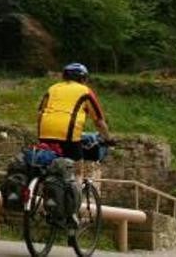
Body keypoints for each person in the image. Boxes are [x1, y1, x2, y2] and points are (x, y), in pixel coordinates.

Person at [35, 62, 114, 229]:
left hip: (45, 133)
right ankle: (71, 211)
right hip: (69, 136)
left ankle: (47, 201)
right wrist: (108, 139)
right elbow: (99, 121)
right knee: (77, 171)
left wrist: (41, 135)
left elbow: (40, 112)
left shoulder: (53, 88)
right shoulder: (85, 92)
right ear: (83, 79)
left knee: (50, 167)